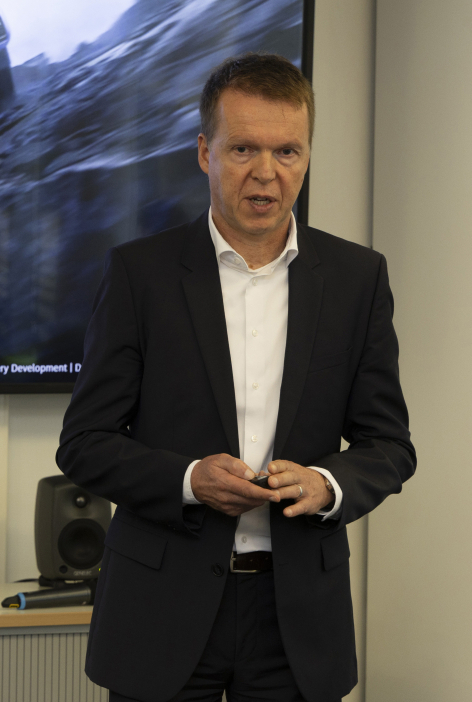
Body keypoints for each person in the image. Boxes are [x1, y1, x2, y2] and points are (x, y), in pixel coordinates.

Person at [55, 53, 415, 702]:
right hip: (160, 612)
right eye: (243, 148)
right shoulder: (141, 274)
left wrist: (327, 482)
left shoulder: (359, 279)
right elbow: (84, 441)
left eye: (287, 151)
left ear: (306, 156)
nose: (266, 174)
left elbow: (389, 445)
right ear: (204, 151)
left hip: (298, 618)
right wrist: (189, 480)